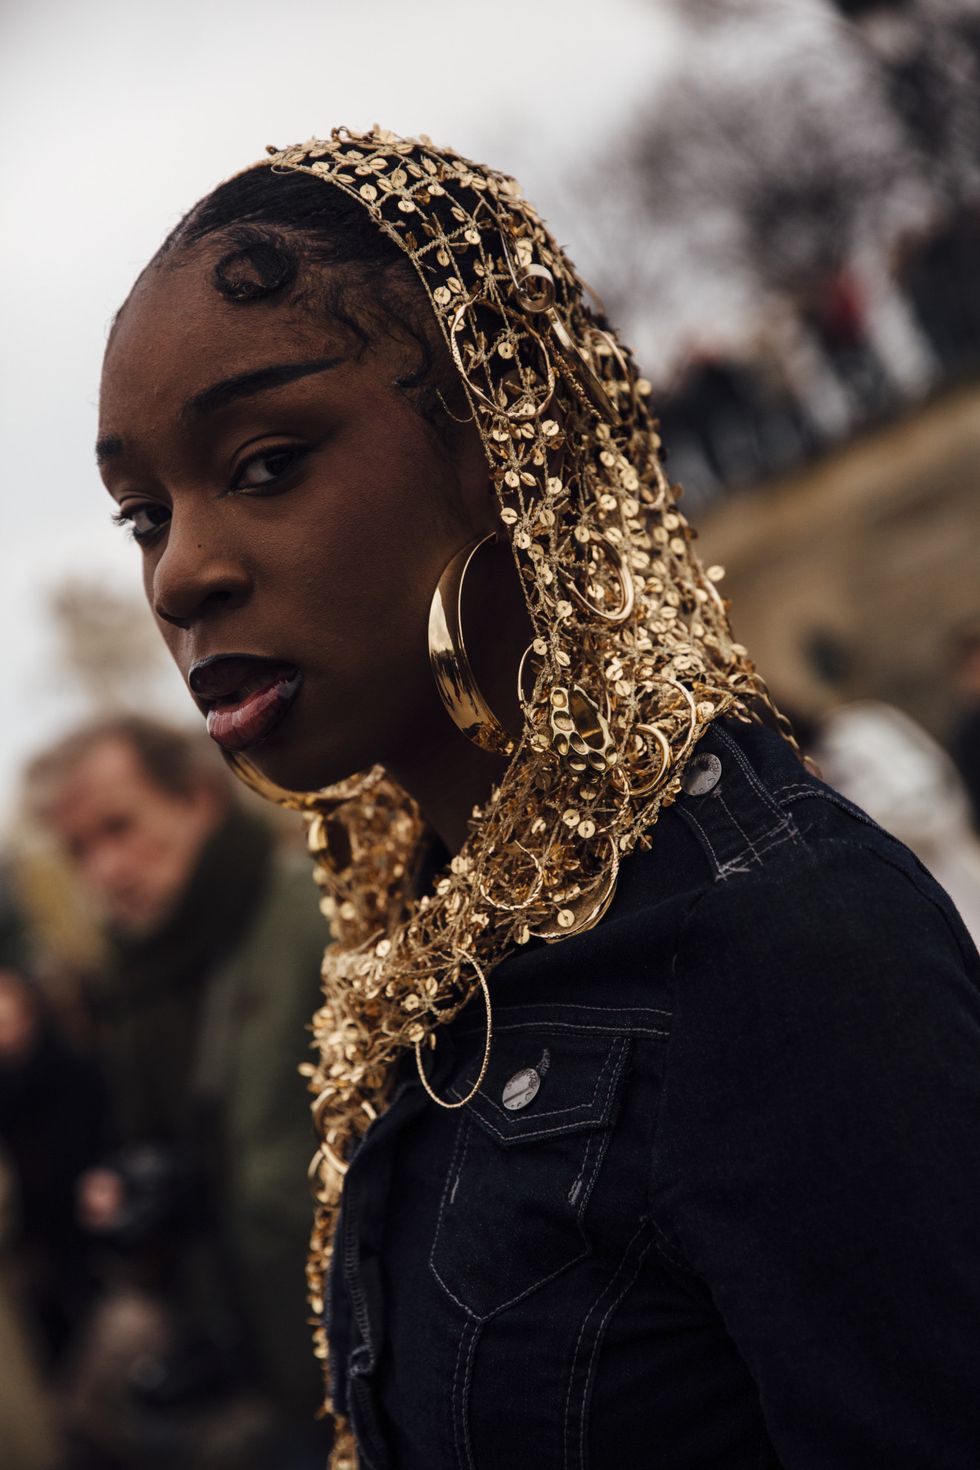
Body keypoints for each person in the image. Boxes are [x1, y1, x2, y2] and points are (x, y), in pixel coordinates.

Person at [95, 128, 980, 1469]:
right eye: (144, 513)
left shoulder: (786, 942)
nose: (180, 575)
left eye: (266, 461)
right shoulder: (416, 956)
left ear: (509, 433)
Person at [28, 717, 329, 1467]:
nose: (105, 869)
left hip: (358, 1373)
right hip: (254, 1380)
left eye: (119, 827)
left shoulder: (315, 912)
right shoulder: (132, 981)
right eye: (78, 851)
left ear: (198, 798)